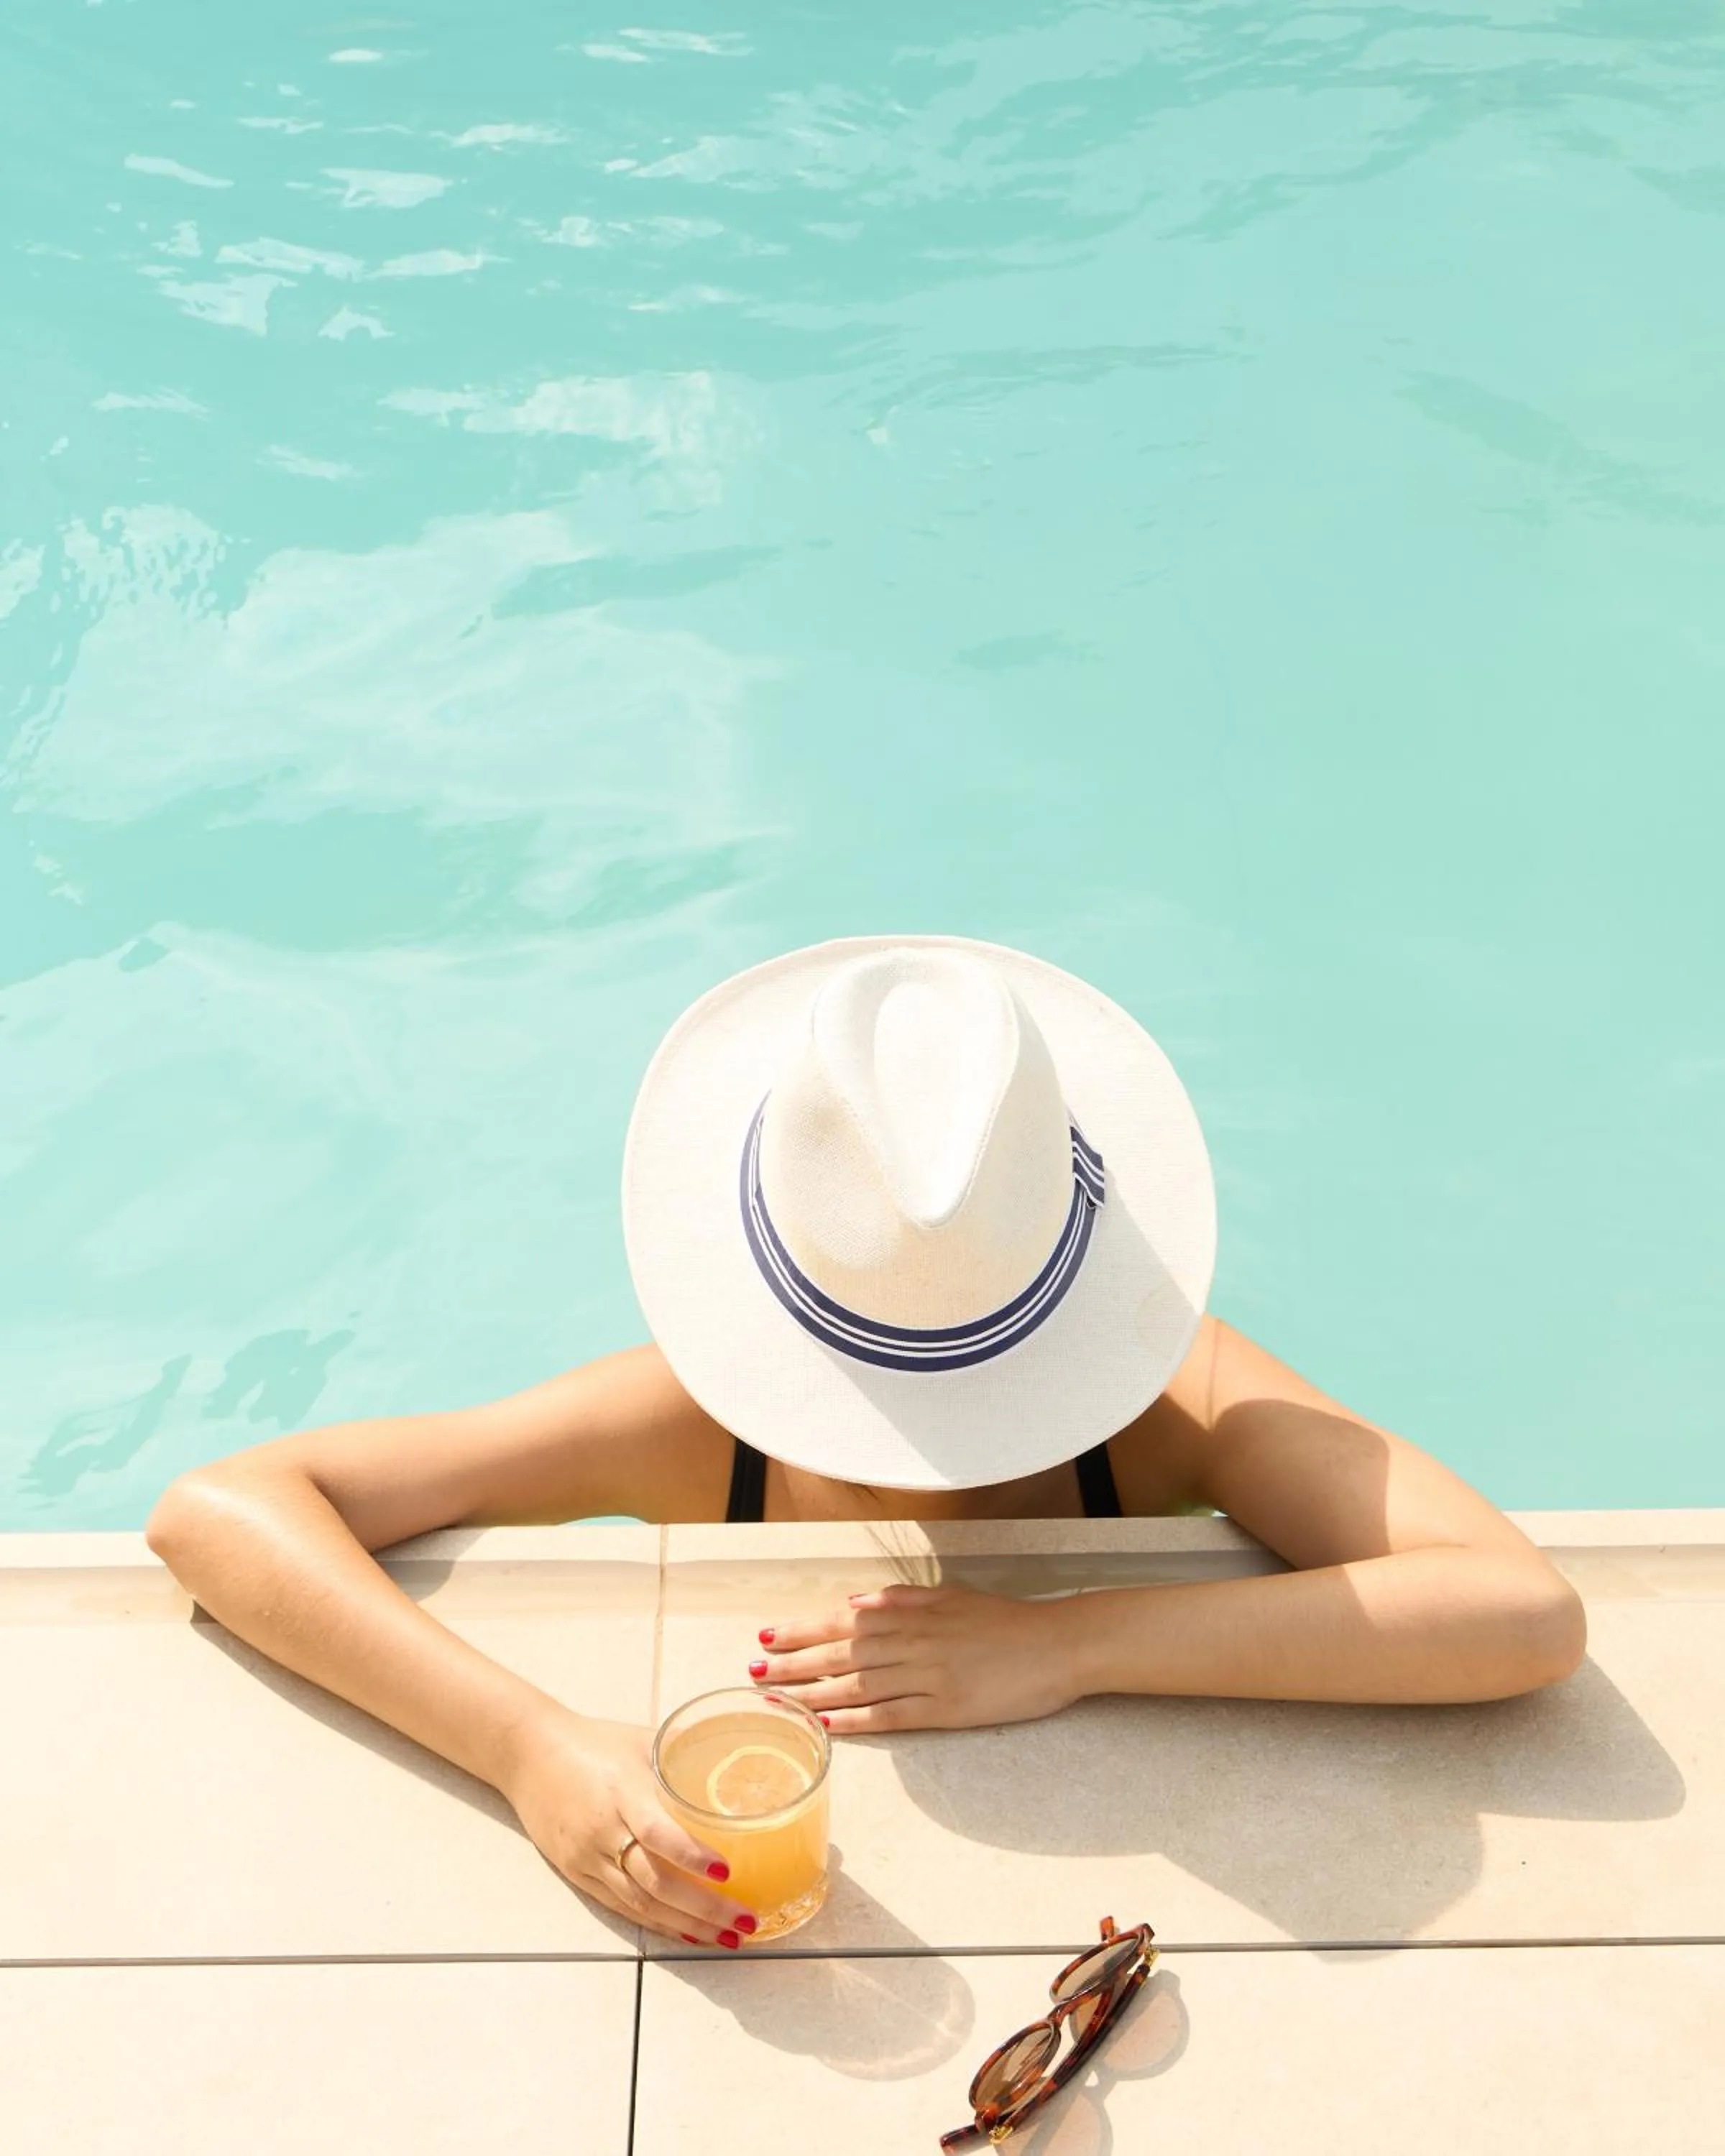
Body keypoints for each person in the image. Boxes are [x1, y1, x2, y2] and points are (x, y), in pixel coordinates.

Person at [146, 936, 1586, 1953]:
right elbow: (220, 1508)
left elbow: (1519, 1613)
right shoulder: (689, 1423)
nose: (925, 1448)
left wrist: (1074, 1642)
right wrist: (528, 1746)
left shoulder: (1176, 1395)